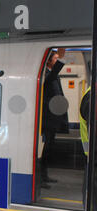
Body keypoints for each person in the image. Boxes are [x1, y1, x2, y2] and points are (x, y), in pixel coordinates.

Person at [40, 48, 68, 189]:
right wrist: (62, 59)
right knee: (44, 150)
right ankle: (40, 178)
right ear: (48, 61)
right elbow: (48, 81)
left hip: (53, 119)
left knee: (49, 149)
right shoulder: (45, 74)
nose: (57, 60)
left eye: (58, 58)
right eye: (55, 58)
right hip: (46, 120)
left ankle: (44, 175)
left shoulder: (53, 75)